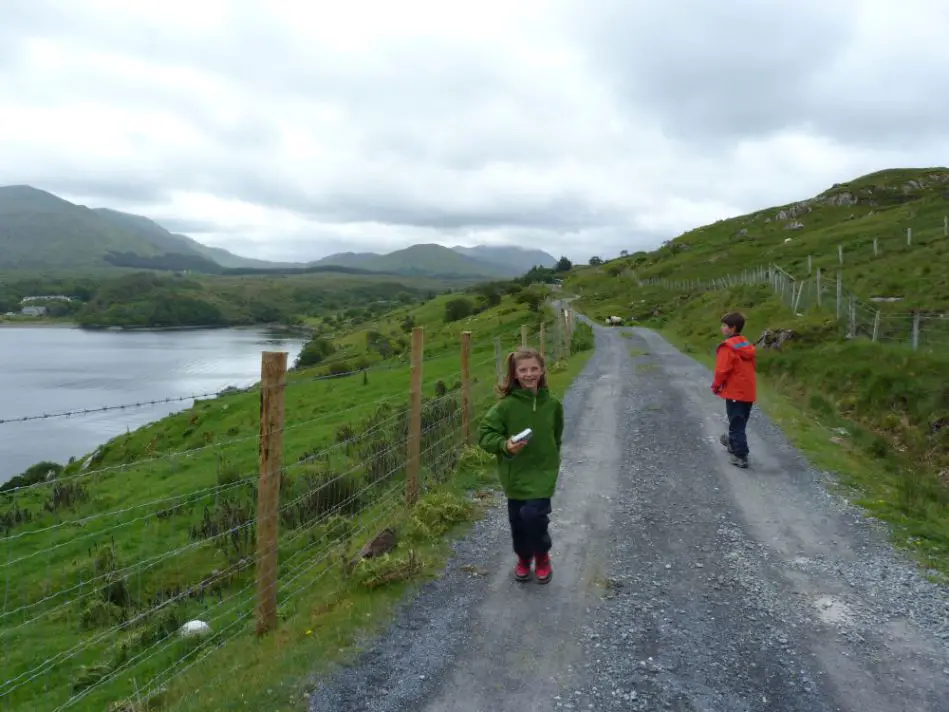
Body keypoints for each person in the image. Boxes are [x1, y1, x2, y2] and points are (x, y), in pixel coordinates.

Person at [478, 346, 564, 584]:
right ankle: (524, 559)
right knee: (517, 521)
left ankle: (542, 556)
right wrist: (505, 445)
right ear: (514, 374)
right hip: (514, 473)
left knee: (532, 514)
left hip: (544, 473)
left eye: (534, 368)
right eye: (523, 370)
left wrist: (553, 459)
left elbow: (556, 435)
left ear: (543, 370)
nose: (529, 374)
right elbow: (484, 435)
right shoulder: (505, 407)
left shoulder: (553, 405)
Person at [711, 312, 757, 469]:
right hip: (748, 391)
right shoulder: (746, 344)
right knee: (740, 420)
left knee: (736, 422)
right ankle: (732, 442)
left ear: (733, 328)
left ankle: (740, 455)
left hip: (735, 391)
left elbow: (722, 370)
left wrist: (716, 386)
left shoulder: (727, 347)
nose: (722, 328)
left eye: (724, 325)